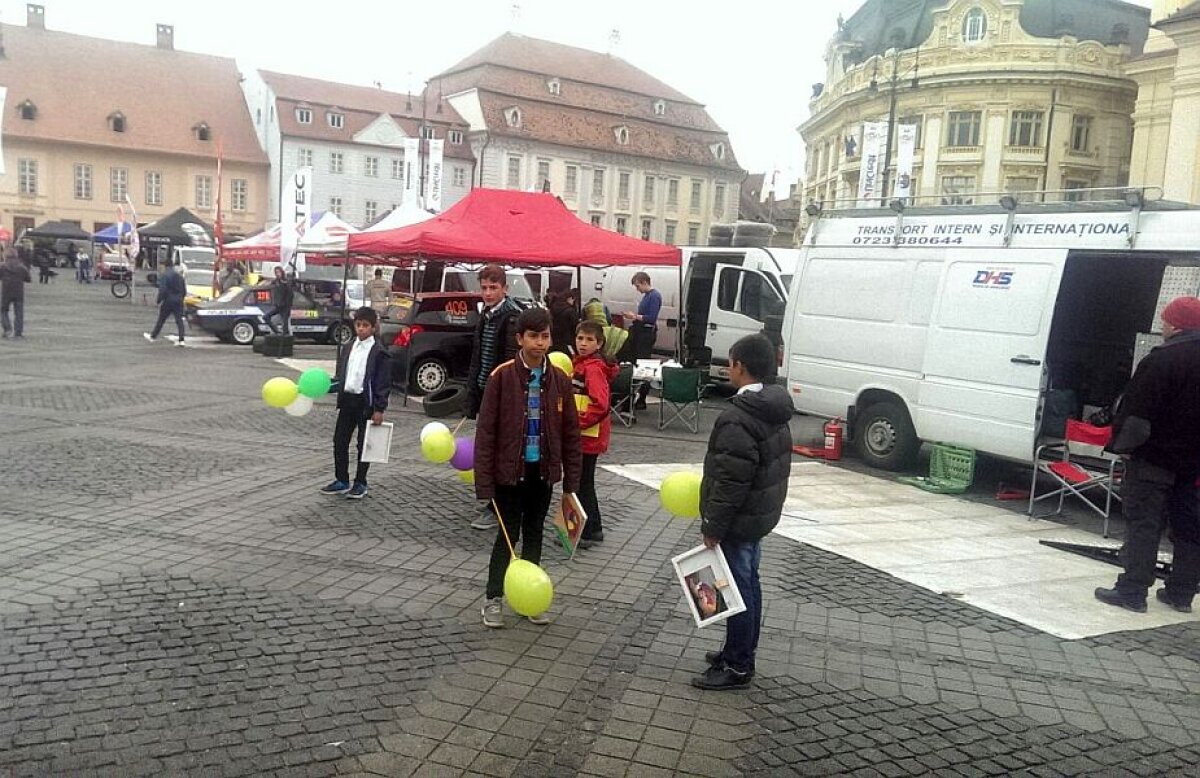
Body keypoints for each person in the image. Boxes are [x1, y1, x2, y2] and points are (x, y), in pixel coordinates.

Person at [693, 334, 792, 691]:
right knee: (748, 583)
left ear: (741, 367)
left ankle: (737, 666)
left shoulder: (739, 416)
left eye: (730, 362)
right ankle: (738, 650)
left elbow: (732, 479)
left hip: (739, 519)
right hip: (757, 515)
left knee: (739, 589)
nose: (727, 368)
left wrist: (713, 525)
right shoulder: (773, 407)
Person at [475, 307, 582, 628]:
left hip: (542, 474)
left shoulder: (560, 380)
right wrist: (484, 484)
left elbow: (571, 434)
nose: (540, 343)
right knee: (507, 538)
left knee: (534, 535)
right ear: (520, 338)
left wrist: (571, 483)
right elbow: (486, 433)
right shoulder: (502, 376)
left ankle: (529, 597)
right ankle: (493, 598)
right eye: (533, 336)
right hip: (509, 474)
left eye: (545, 336)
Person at [1094, 296, 1200, 614]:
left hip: (1154, 458)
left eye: (1165, 321)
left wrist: (1124, 447)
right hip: (1194, 463)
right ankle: (1181, 594)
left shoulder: (1162, 359)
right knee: (1190, 529)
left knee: (1144, 523)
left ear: (1176, 324)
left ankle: (1132, 591)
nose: (1163, 327)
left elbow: (1137, 414)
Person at [466, 264, 523, 530]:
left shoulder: (512, 317)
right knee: (488, 450)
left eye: (493, 288)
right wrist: (472, 394)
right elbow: (478, 356)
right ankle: (495, 502)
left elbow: (510, 361)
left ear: (504, 288)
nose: (487, 293)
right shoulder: (487, 314)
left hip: (503, 396)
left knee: (501, 453)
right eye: (484, 288)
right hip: (485, 391)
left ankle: (498, 507)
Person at [320, 306, 392, 500]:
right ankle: (342, 479)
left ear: (373, 327)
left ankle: (361, 482)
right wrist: (332, 386)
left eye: (365, 326)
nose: (361, 329)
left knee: (364, 444)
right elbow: (344, 373)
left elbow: (383, 383)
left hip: (365, 403)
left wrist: (379, 408)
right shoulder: (349, 347)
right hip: (347, 400)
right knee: (340, 441)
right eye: (358, 325)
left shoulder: (378, 352)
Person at [572, 320, 619, 549]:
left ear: (599, 343)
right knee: (582, 482)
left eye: (589, 339)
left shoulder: (593, 368)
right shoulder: (583, 364)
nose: (583, 343)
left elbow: (600, 404)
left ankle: (590, 530)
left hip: (588, 436)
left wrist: (576, 423)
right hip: (586, 435)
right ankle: (591, 528)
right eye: (580, 338)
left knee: (582, 483)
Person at [623, 272, 662, 409]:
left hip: (646, 333)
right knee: (635, 362)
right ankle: (635, 395)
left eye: (638, 285)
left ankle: (642, 396)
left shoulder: (654, 296)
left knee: (643, 364)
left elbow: (651, 318)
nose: (637, 289)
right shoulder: (647, 296)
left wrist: (635, 316)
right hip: (640, 332)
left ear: (644, 282)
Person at [143, 260, 187, 346]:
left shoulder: (165, 276)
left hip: (168, 300)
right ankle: (181, 340)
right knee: (179, 320)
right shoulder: (180, 276)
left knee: (161, 319)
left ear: (165, 266)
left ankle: (153, 336)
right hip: (178, 301)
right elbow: (184, 291)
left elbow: (163, 289)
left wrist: (159, 300)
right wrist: (181, 298)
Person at [1, 249, 32, 339]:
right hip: (18, 292)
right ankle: (18, 333)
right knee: (19, 313)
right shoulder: (21, 267)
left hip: (6, 291)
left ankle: (7, 329)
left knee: (3, 311)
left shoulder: (3, 266)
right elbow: (28, 279)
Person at [265, 266, 294, 335]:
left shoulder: (286, 282)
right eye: (276, 272)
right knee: (266, 317)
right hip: (278, 306)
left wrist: (287, 305)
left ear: (282, 272)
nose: (277, 274)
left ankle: (285, 337)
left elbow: (290, 295)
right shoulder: (275, 282)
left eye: (279, 272)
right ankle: (277, 331)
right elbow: (269, 288)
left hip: (285, 307)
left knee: (285, 325)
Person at [550, 288, 580, 354]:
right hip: (568, 341)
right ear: (569, 298)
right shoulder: (570, 311)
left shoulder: (553, 308)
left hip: (555, 340)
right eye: (573, 299)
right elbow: (576, 326)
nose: (573, 301)